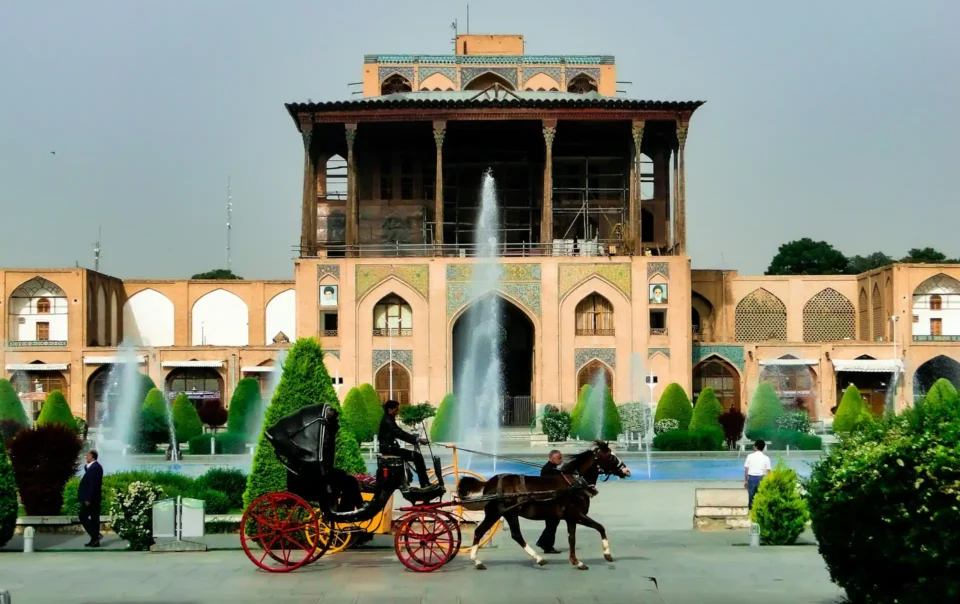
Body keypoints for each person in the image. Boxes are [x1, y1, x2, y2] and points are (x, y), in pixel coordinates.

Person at [378, 400, 430, 488]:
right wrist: (417, 440)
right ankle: (424, 484)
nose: (397, 412)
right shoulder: (388, 420)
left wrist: (415, 440)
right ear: (390, 410)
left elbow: (399, 433)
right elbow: (399, 433)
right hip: (390, 449)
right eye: (396, 410)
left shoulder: (388, 419)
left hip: (389, 448)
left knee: (415, 456)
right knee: (417, 457)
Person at [535, 450, 563, 554]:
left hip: (551, 500)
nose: (561, 460)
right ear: (552, 458)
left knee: (552, 523)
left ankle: (545, 544)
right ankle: (546, 545)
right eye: (559, 458)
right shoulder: (547, 469)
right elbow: (547, 484)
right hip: (548, 501)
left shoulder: (552, 467)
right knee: (552, 522)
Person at [78, 449, 104, 548]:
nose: (86, 457)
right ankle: (95, 541)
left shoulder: (95, 468)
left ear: (92, 457)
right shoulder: (93, 467)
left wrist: (88, 499)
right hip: (93, 498)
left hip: (91, 499)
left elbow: (93, 485)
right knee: (94, 519)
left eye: (88, 456)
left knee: (82, 516)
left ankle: (95, 535)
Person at [743, 440, 772, 510]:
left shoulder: (749, 456)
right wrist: (769, 483)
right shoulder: (766, 458)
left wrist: (745, 481)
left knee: (751, 498)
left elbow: (746, 470)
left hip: (752, 479)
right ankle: (760, 513)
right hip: (761, 479)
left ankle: (750, 513)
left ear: (756, 447)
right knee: (761, 498)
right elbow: (768, 472)